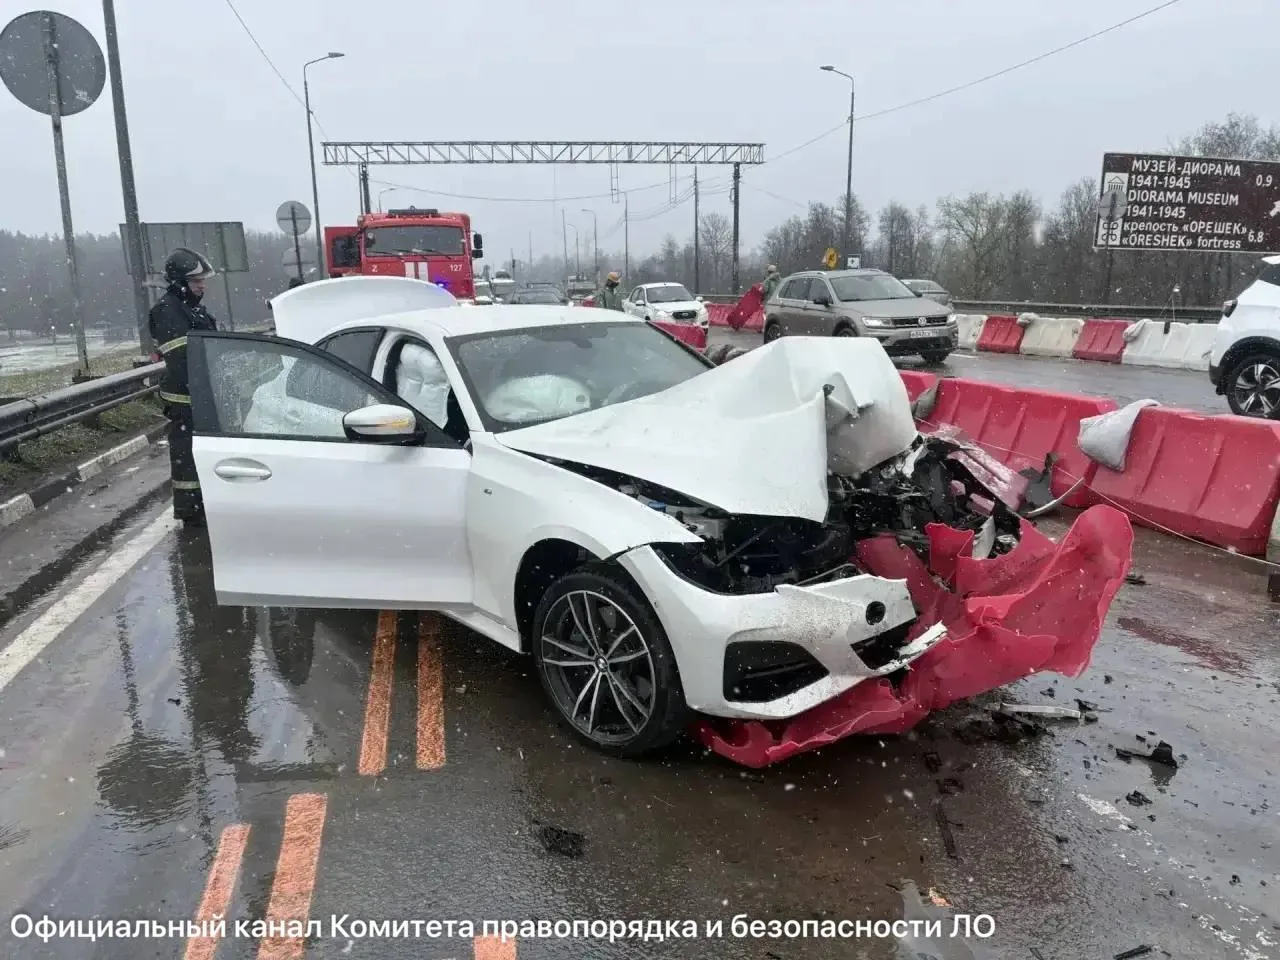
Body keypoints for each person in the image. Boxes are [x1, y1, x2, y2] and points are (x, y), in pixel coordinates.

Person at [149, 247, 218, 526]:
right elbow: (182, 360)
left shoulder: (192, 309)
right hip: (185, 400)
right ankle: (191, 513)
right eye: (196, 281)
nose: (202, 286)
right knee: (187, 460)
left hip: (201, 398)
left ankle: (204, 506)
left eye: (202, 281)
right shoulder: (168, 311)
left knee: (199, 458)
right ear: (180, 282)